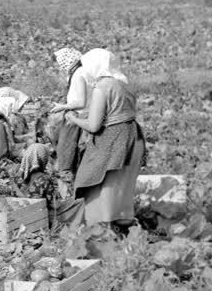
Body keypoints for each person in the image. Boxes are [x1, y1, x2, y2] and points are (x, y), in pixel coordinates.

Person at [65, 49, 145, 227]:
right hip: (133, 137)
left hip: (113, 140)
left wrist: (74, 119)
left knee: (96, 182)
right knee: (122, 188)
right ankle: (125, 227)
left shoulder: (102, 88)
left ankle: (101, 229)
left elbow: (94, 126)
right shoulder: (123, 84)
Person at [50, 48, 93, 184]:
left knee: (67, 153)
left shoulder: (79, 74)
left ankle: (68, 182)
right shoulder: (84, 71)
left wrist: (62, 107)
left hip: (78, 117)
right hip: (85, 115)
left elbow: (80, 102)